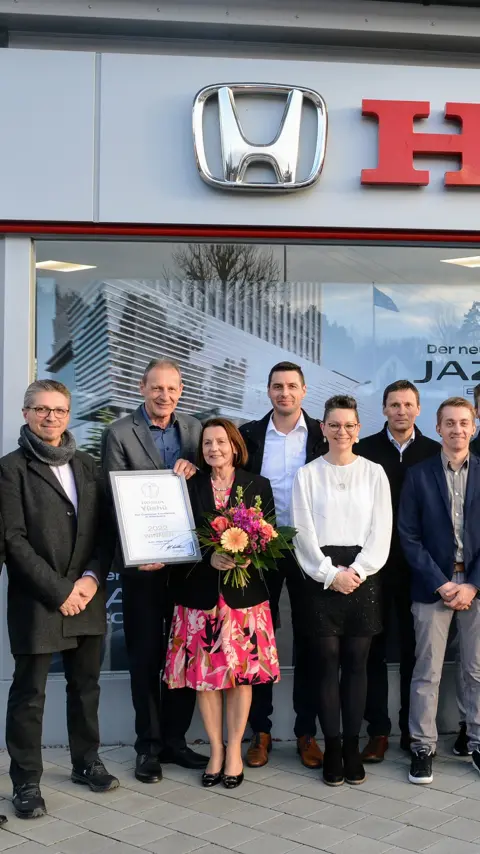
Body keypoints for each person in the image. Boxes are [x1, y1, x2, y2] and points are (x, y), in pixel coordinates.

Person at [0, 380, 118, 819]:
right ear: (26, 413)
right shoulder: (10, 469)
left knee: (85, 687)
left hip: (87, 593)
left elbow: (105, 531)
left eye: (59, 410)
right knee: (29, 693)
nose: (51, 417)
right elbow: (13, 540)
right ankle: (26, 781)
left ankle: (86, 762)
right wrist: (60, 590)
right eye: (41, 409)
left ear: (69, 415)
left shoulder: (87, 465)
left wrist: (90, 579)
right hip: (38, 599)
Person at [101, 358, 207, 783]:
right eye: (157, 387)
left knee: (184, 652)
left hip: (186, 565)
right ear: (142, 387)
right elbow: (113, 498)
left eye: (172, 388)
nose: (165, 395)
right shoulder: (119, 432)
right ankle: (147, 745)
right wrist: (135, 551)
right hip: (143, 566)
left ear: (181, 391)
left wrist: (196, 470)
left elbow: (207, 484)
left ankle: (175, 741)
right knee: (145, 656)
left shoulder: (195, 430)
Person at [164, 418, 280, 789]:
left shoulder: (257, 485)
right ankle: (215, 750)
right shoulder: (190, 485)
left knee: (240, 679)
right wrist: (207, 557)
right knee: (206, 680)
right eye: (207, 443)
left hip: (244, 601)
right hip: (199, 599)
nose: (214, 448)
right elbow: (176, 539)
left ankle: (234, 752)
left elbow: (270, 537)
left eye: (221, 442)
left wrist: (250, 557)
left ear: (234, 446)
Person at [291, 395, 392, 787]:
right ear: (323, 428)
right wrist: (329, 574)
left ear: (358, 429)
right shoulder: (307, 475)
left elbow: (381, 529)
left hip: (363, 575)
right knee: (325, 661)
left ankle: (352, 746)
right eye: (334, 425)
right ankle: (331, 747)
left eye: (349, 425)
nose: (342, 432)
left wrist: (358, 571)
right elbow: (301, 532)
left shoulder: (374, 473)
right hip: (321, 576)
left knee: (356, 662)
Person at [240, 361, 324, 770]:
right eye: (277, 386)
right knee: (258, 639)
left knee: (311, 639)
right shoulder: (249, 436)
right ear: (268, 391)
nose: (284, 393)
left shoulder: (324, 433)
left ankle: (306, 731)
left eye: (292, 386)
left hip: (310, 549)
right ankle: (261, 731)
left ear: (304, 391)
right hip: (263, 550)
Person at [355, 380, 440, 762]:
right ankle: (378, 731)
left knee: (414, 652)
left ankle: (411, 730)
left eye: (407, 404)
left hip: (420, 569)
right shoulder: (365, 451)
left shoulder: (434, 452)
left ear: (418, 409)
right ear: (384, 409)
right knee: (372, 650)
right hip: (373, 568)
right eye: (394, 404)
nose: (401, 411)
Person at [399, 396, 480, 785]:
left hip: (476, 587)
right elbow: (408, 536)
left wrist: (473, 584)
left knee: (476, 671)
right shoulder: (418, 475)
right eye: (450, 423)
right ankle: (423, 748)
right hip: (434, 586)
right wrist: (443, 583)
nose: (457, 429)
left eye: (464, 423)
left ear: (473, 428)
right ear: (438, 428)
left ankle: (477, 743)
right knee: (427, 671)